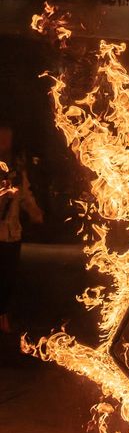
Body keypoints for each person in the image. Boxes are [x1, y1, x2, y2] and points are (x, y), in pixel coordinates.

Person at [0, 124, 44, 335]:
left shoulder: (16, 170)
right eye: (1, 137)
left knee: (7, 278)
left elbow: (25, 195)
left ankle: (2, 316)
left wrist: (35, 213)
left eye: (7, 138)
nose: (5, 142)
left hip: (12, 234)